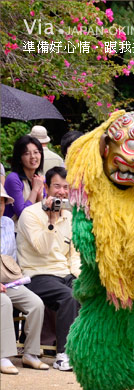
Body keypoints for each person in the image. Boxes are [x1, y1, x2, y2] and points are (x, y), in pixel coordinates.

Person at [16, 167, 80, 371]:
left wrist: (79, 278)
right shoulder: (30, 214)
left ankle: (89, 352)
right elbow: (42, 248)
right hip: (37, 274)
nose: (62, 191)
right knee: (68, 297)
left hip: (64, 273)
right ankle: (63, 354)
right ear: (45, 187)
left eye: (66, 187)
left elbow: (74, 254)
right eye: (57, 186)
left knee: (88, 291)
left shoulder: (69, 217)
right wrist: (51, 221)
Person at [1, 184, 47, 374]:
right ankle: (4, 356)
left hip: (8, 280)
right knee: (3, 302)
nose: (0, 205)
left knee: (36, 303)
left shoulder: (8, 223)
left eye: (2, 201)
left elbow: (12, 255)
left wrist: (18, 278)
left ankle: (30, 354)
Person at [4, 135, 45, 220]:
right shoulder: (13, 179)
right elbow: (22, 214)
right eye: (27, 153)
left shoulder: (39, 179)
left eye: (36, 152)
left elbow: (44, 211)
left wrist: (40, 196)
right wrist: (35, 190)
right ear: (19, 158)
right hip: (14, 231)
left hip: (34, 228)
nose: (33, 156)